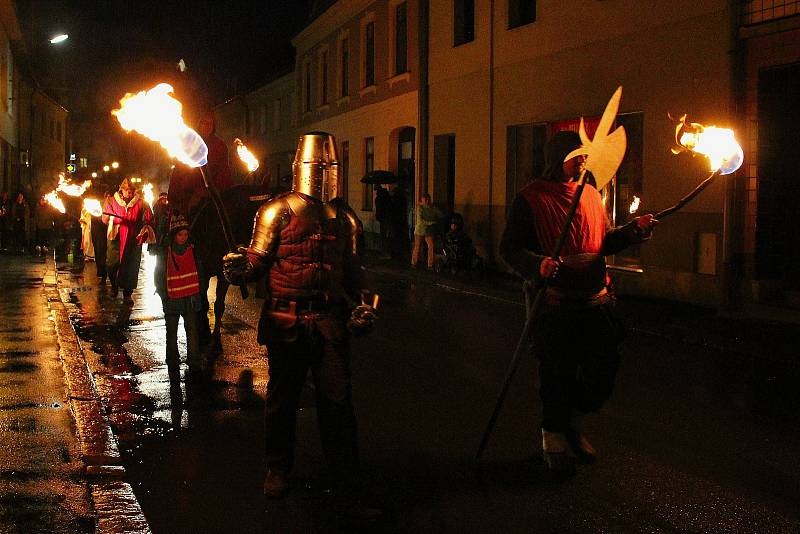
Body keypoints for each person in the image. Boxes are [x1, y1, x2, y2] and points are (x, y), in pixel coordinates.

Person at [223, 132, 381, 525]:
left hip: (329, 322)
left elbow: (355, 271)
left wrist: (365, 305)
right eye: (319, 166)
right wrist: (238, 266)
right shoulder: (276, 212)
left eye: (330, 166)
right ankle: (278, 467)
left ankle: (346, 478)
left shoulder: (344, 218)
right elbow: (257, 261)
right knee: (281, 400)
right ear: (303, 167)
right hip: (286, 320)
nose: (324, 173)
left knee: (338, 405)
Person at [499, 130, 657, 477]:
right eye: (577, 155)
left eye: (585, 155)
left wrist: (633, 231)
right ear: (559, 159)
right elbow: (509, 248)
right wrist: (536, 264)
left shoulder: (590, 194)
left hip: (596, 303)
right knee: (556, 374)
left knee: (603, 373)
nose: (584, 161)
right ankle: (553, 436)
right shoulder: (531, 198)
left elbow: (603, 242)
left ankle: (572, 421)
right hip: (556, 305)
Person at [154, 213, 205, 384]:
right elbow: (159, 275)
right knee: (172, 332)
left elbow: (200, 272)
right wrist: (163, 295)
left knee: (192, 330)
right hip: (173, 298)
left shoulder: (192, 249)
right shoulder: (165, 252)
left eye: (185, 234)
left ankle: (193, 361)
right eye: (180, 234)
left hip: (189, 298)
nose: (183, 238)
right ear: (174, 235)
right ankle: (173, 361)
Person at [167, 112, 232, 219]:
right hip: (187, 196)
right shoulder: (188, 144)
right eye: (204, 122)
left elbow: (223, 172)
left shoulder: (219, 146)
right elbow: (179, 172)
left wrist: (208, 192)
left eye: (210, 123)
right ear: (198, 124)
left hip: (211, 198)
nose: (207, 126)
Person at [103, 179, 155, 304]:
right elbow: (105, 218)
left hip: (133, 238)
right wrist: (115, 219)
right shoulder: (111, 200)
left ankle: (128, 293)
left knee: (131, 266)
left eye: (132, 191)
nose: (130, 194)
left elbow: (148, 218)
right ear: (122, 190)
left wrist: (146, 223)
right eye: (127, 191)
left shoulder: (141, 203)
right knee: (112, 264)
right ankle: (114, 286)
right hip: (116, 237)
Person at [411, 193, 443, 270]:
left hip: (429, 230)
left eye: (428, 199)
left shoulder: (432, 208)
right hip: (420, 230)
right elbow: (420, 220)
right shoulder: (420, 208)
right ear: (422, 200)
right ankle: (414, 263)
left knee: (431, 246)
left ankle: (430, 265)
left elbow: (441, 215)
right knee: (417, 246)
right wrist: (431, 222)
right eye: (425, 199)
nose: (427, 201)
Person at [91, 191, 112, 284]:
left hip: (110, 235)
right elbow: (96, 220)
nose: (108, 198)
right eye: (106, 196)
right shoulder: (97, 207)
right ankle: (103, 275)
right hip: (100, 236)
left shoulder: (112, 206)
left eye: (109, 196)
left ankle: (112, 276)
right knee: (101, 255)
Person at [374, 184, 391, 256]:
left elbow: (379, 208)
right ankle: (386, 251)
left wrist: (378, 216)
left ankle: (385, 251)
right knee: (386, 234)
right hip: (387, 217)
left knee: (383, 235)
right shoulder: (386, 196)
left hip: (383, 218)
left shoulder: (379, 198)